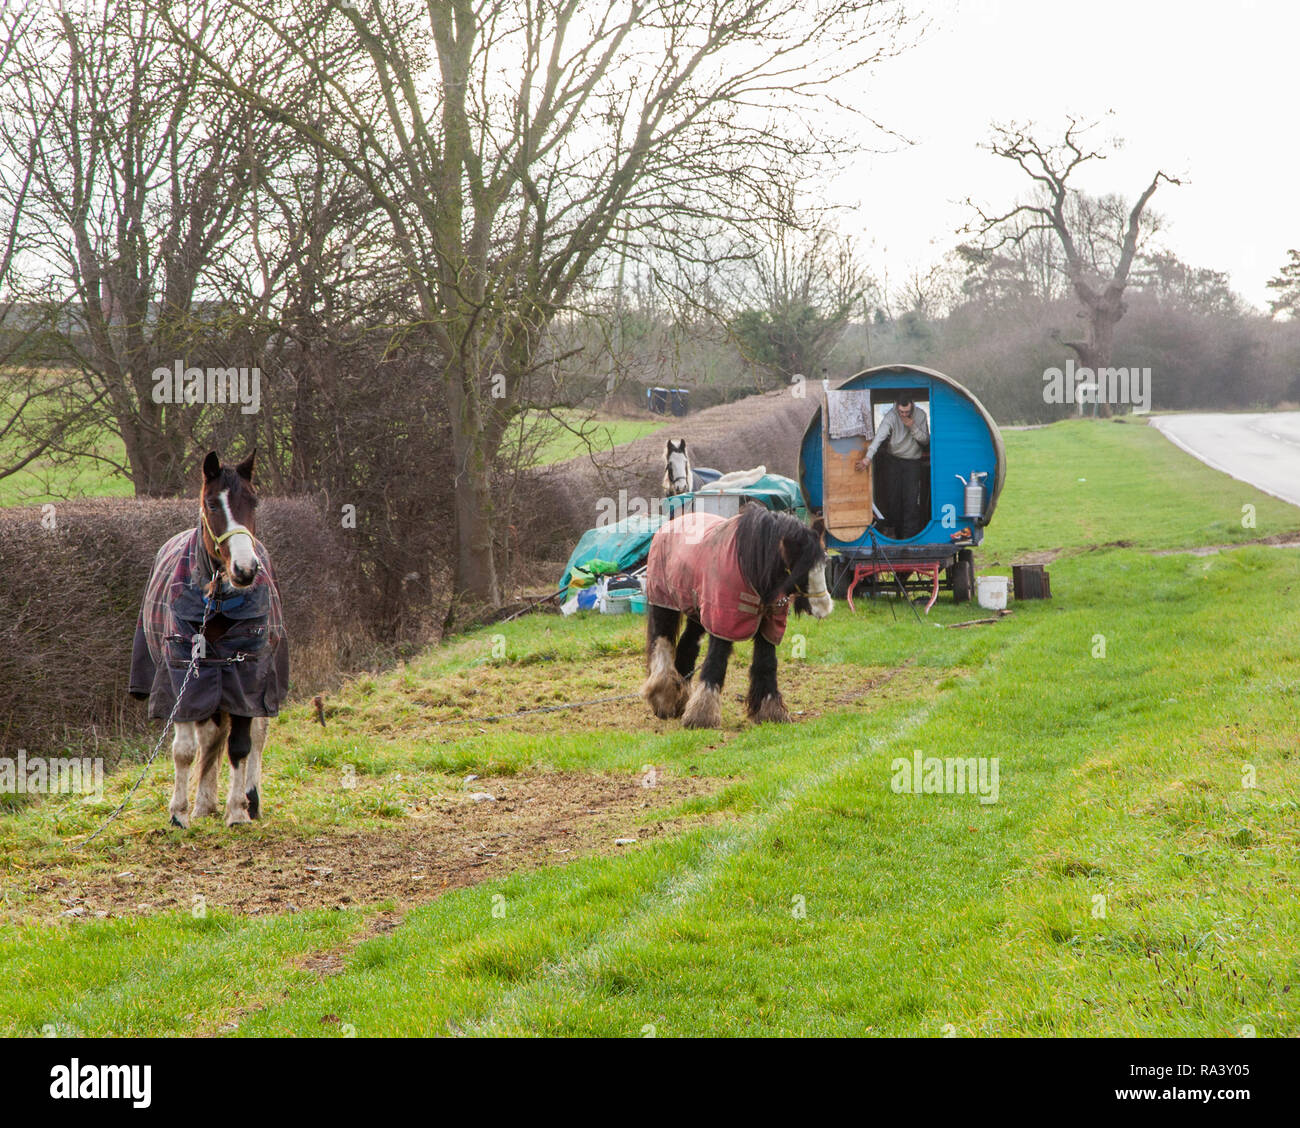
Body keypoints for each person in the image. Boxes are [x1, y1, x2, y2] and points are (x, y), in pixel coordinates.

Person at [855, 393, 929, 538]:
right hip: (893, 461)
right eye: (901, 412)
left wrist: (912, 426)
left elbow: (925, 441)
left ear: (912, 405)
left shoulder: (921, 415)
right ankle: (895, 533)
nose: (903, 414)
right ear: (896, 406)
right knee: (893, 499)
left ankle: (909, 537)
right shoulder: (891, 416)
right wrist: (867, 459)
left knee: (911, 500)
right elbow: (879, 438)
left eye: (907, 412)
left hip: (912, 462)